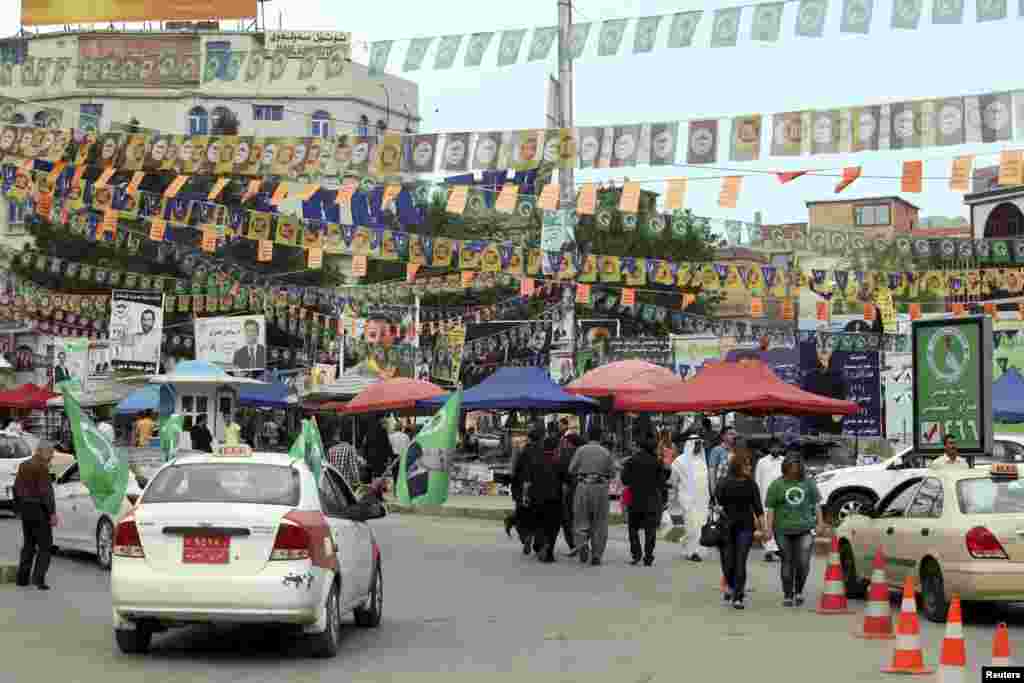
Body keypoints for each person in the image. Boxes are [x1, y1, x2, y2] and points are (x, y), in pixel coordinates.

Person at [764, 456, 825, 607]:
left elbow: (817, 504)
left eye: (797, 467)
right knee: (787, 560)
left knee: (803, 561)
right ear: (785, 468)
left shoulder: (808, 483)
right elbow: (770, 509)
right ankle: (787, 594)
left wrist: (820, 523)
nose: (794, 470)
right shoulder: (776, 485)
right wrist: (769, 529)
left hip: (805, 528)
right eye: (791, 466)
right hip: (783, 529)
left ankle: (799, 591)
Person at [715, 450, 767, 610]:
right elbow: (718, 502)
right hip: (726, 527)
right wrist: (717, 509)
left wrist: (764, 528)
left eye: (749, 464)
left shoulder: (751, 484)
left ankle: (738, 596)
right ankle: (730, 585)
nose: (749, 467)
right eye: (746, 464)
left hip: (745, 528)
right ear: (737, 465)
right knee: (728, 561)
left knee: (740, 561)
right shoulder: (724, 482)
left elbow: (758, 508)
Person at [621, 424, 669, 567]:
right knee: (650, 529)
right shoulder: (657, 462)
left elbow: (625, 480)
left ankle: (636, 554)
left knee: (633, 528)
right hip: (653, 500)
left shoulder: (632, 460)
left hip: (635, 499)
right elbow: (662, 482)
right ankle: (648, 556)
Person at [13, 442, 57, 590]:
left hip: (26, 509)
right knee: (45, 545)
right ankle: (38, 579)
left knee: (29, 544)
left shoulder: (24, 465)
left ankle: (22, 578)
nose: (51, 456)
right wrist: (52, 513)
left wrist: (17, 508)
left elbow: (16, 488)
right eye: (50, 453)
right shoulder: (41, 467)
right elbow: (46, 493)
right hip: (39, 510)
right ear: (41, 452)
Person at [568, 426, 614, 566]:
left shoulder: (581, 450)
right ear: (600, 438)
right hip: (600, 488)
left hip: (583, 486)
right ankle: (597, 554)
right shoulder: (606, 452)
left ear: (588, 437)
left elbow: (571, 469)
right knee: (600, 521)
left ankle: (582, 544)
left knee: (581, 518)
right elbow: (612, 472)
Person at [524, 422, 563, 563]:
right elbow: (566, 481)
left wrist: (525, 496)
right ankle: (549, 549)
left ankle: (538, 543)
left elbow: (527, 482)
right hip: (555, 498)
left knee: (539, 522)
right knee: (553, 525)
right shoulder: (559, 462)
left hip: (537, 497)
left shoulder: (535, 460)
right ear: (556, 448)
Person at [674, 438, 712, 562]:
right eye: (696, 444)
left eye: (700, 444)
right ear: (689, 445)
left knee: (699, 526)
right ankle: (692, 552)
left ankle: (693, 548)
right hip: (688, 500)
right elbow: (673, 480)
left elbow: (706, 481)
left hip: (702, 500)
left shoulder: (702, 461)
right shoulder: (680, 461)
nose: (698, 447)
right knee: (692, 525)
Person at [506, 432, 536, 554]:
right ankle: (531, 535)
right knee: (534, 514)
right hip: (536, 489)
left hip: (520, 488)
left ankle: (525, 536)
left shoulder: (518, 451)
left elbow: (512, 472)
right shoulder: (541, 450)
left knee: (521, 515)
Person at [755, 445, 785, 562]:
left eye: (778, 447)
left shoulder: (784, 461)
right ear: (769, 448)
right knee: (767, 524)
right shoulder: (762, 462)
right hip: (765, 497)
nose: (776, 449)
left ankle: (779, 548)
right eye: (774, 447)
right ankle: (768, 550)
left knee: (779, 523)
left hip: (781, 497)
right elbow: (757, 480)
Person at [557, 432, 583, 557]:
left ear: (569, 443)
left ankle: (573, 545)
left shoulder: (567, 453)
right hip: (584, 487)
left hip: (570, 488)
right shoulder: (583, 452)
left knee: (568, 518)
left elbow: (562, 470)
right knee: (582, 518)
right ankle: (583, 543)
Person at [361, 417, 394, 482]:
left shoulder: (368, 432)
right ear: (381, 424)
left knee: (369, 477)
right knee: (379, 477)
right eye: (385, 424)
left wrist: (364, 456)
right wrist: (390, 456)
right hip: (380, 459)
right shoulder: (383, 432)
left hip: (370, 459)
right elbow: (387, 445)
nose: (386, 425)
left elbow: (364, 445)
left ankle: (370, 489)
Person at [708, 426, 737, 497]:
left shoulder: (736, 451)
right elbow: (712, 472)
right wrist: (713, 493)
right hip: (721, 489)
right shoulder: (716, 450)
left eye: (734, 434)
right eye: (731, 434)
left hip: (734, 488)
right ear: (723, 436)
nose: (734, 436)